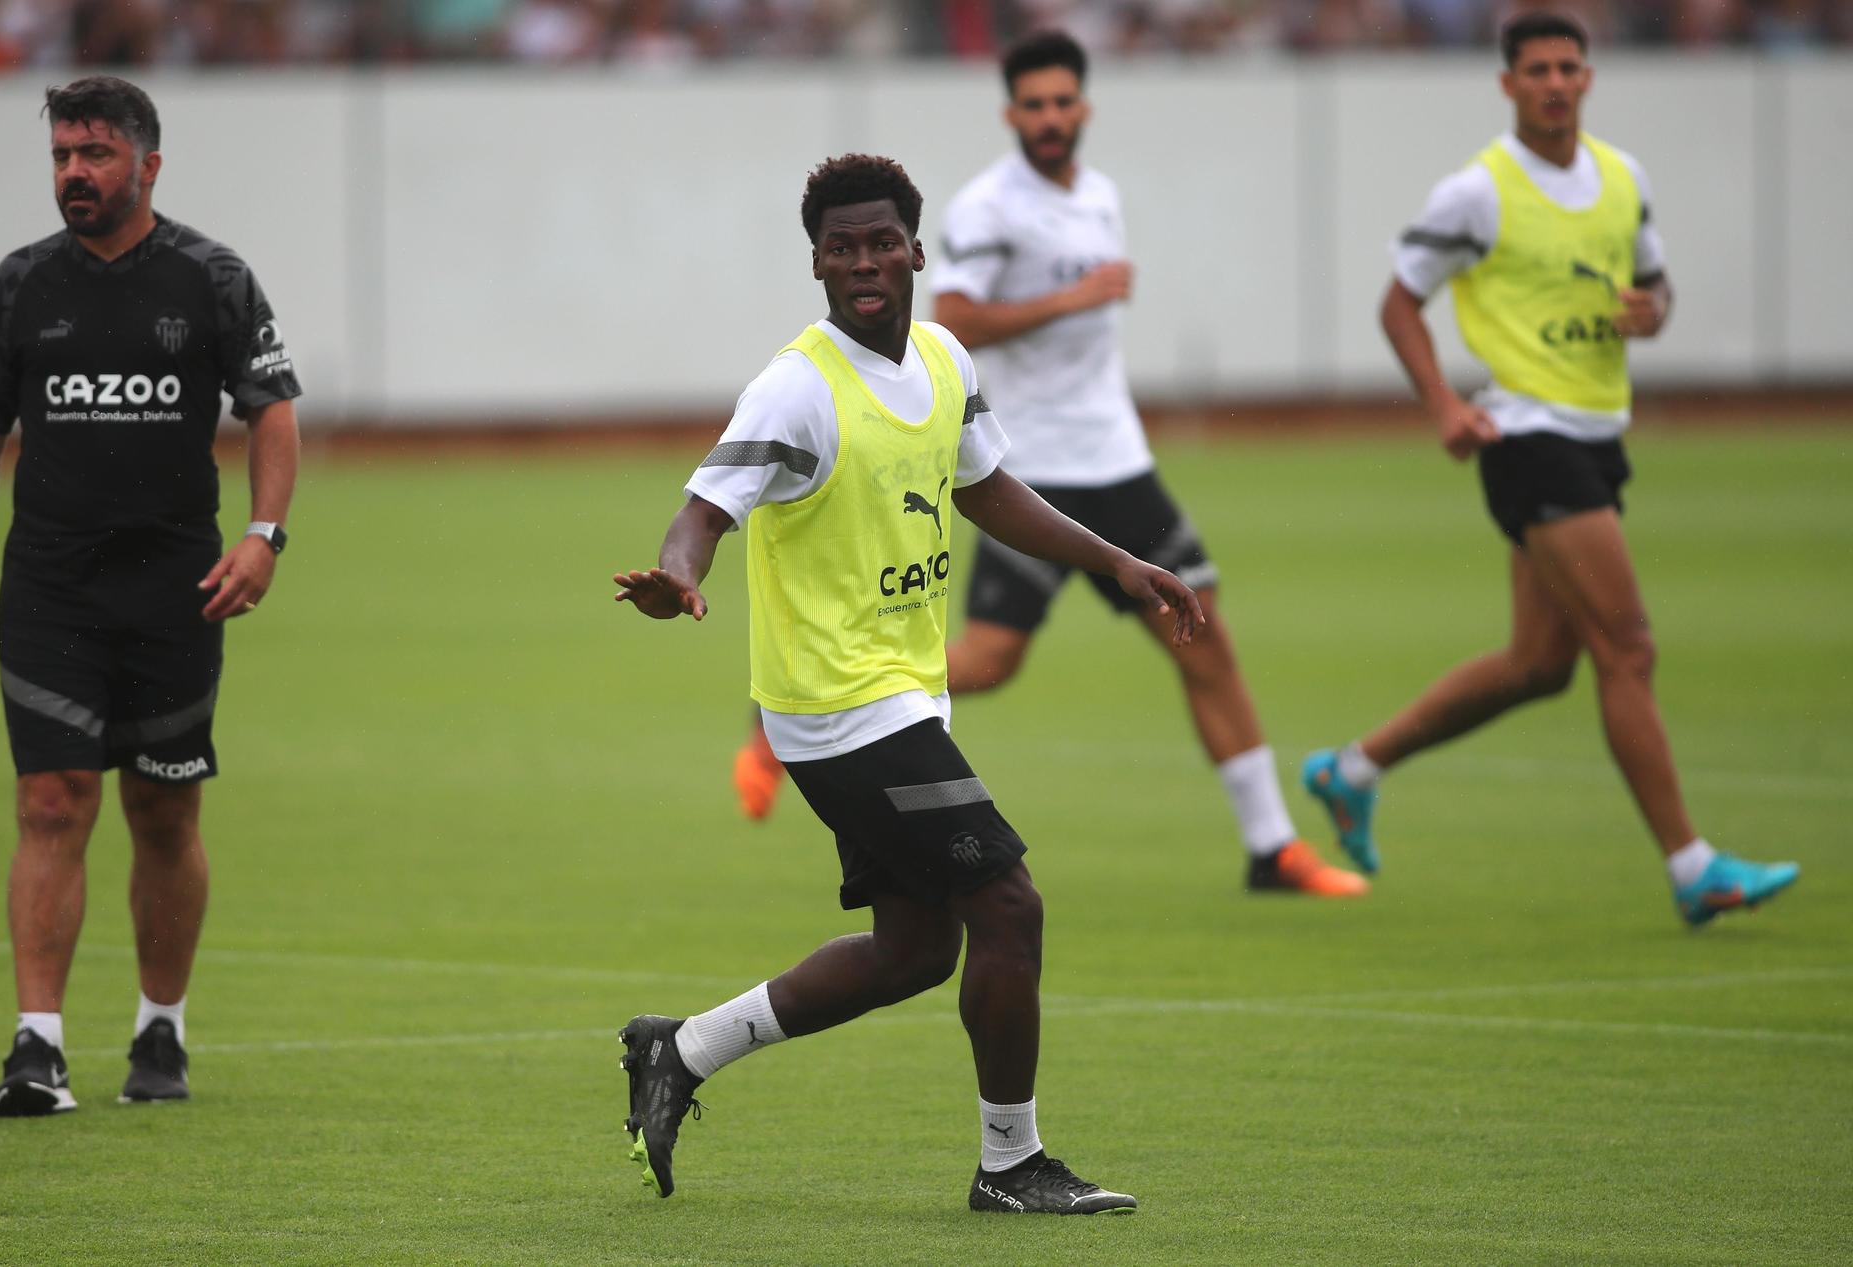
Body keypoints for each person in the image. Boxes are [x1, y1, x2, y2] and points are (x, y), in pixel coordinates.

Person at [612, 153, 1204, 1212]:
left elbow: (986, 487)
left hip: (898, 696)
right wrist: (676, 576)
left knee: (918, 948)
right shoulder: (796, 385)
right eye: (840, 247)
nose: (863, 261)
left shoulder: (940, 359)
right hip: (836, 711)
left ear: (915, 250)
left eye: (881, 240)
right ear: (817, 266)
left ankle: (681, 1049)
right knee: (1009, 905)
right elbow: (703, 508)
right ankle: (1012, 1165)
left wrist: (1111, 556)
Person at [728, 30, 1368, 899]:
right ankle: (801, 714)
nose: (1051, 117)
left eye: (1064, 102)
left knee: (1203, 638)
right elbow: (954, 316)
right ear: (1012, 114)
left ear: (1084, 107)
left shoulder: (1098, 195)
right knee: (990, 662)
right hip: (1029, 470)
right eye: (1034, 105)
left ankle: (1272, 845)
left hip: (1121, 461)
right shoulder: (992, 207)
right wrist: (1074, 295)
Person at [1302, 12, 1798, 928]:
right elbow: (1398, 304)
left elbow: (1655, 289)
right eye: (1537, 70)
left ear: (1589, 77)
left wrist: (1653, 314)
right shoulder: (1476, 193)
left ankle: (1352, 768)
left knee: (1540, 664)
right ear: (1508, 85)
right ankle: (1695, 867)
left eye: (1570, 67)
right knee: (1629, 647)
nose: (1556, 83)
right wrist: (1445, 407)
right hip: (1528, 437)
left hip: (1597, 434)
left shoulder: (1621, 177)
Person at [0, 75, 301, 1114]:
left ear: (147, 164)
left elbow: (270, 412)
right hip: (49, 589)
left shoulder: (210, 278)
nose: (73, 174)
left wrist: (264, 537)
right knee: (52, 801)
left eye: (93, 155)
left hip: (176, 591)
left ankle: (160, 1029)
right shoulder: (19, 287)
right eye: (59, 155)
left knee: (163, 809)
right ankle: (37, 1047)